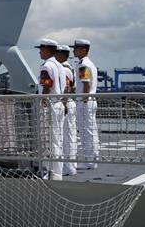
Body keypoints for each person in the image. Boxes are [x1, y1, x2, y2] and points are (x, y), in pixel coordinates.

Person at [36, 39, 64, 180]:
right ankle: (57, 171)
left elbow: (46, 85)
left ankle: (52, 172)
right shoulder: (60, 65)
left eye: (41, 49)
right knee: (57, 138)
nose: (39, 52)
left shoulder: (46, 66)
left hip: (50, 105)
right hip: (58, 103)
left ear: (47, 49)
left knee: (49, 139)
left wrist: (43, 100)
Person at [72, 39, 99, 169]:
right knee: (91, 130)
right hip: (89, 101)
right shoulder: (90, 64)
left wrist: (83, 99)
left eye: (76, 48)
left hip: (85, 101)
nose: (74, 51)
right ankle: (93, 159)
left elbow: (86, 84)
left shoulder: (83, 65)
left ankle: (89, 161)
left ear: (83, 50)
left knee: (85, 131)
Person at [55, 45, 78, 176]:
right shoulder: (67, 67)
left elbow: (67, 88)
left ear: (61, 55)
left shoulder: (64, 69)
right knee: (68, 136)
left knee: (66, 137)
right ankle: (68, 166)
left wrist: (63, 105)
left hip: (66, 104)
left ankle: (68, 167)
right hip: (68, 103)